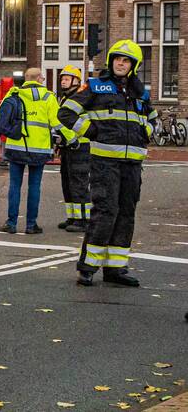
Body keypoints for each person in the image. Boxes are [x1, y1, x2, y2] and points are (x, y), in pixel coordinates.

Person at [58, 40, 155, 288]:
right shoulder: (96, 86)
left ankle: (116, 268)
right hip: (105, 164)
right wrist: (91, 131)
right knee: (105, 212)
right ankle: (87, 268)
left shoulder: (140, 93)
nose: (120, 64)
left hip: (132, 165)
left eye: (125, 61)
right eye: (117, 59)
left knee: (126, 214)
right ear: (111, 62)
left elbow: (154, 120)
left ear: (133, 66)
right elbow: (66, 113)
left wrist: (147, 129)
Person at [0, 67, 75, 235]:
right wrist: (72, 139)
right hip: (39, 149)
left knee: (14, 185)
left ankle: (11, 223)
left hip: (15, 147)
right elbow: (58, 122)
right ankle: (31, 225)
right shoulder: (48, 97)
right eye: (42, 78)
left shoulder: (14, 94)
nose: (43, 80)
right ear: (38, 79)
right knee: (34, 186)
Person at [56, 65, 91, 233]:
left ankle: (83, 219)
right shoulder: (65, 99)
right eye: (62, 78)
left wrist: (70, 138)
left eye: (67, 78)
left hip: (80, 147)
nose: (63, 81)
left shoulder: (80, 98)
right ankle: (72, 216)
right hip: (67, 147)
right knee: (68, 183)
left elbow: (80, 123)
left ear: (76, 81)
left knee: (79, 183)